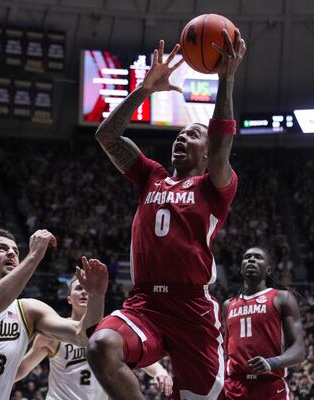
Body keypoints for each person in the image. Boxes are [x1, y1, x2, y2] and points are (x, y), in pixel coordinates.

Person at [87, 30, 246, 400]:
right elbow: (106, 136)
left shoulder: (215, 185)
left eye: (192, 134)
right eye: (180, 134)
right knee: (100, 347)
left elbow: (223, 146)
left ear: (207, 155)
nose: (181, 138)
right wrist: (143, 90)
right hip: (145, 304)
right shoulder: (150, 175)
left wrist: (226, 78)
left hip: (192, 309)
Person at [0, 228, 108, 400]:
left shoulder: (29, 311)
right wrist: (35, 256)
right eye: (1, 248)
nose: (12, 253)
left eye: (15, 250)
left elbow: (83, 336)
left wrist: (97, 297)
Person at [15, 276, 173, 399]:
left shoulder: (109, 333)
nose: (84, 292)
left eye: (87, 288)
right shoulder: (54, 332)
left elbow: (142, 358)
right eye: (78, 288)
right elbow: (22, 369)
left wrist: (161, 371)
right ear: (69, 298)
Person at [222, 246, 306, 399]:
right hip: (234, 387)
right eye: (247, 257)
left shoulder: (282, 297)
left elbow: (299, 350)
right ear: (241, 269)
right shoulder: (228, 305)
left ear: (268, 270)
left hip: (270, 386)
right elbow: (225, 350)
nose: (251, 259)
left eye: (258, 257)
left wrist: (272, 362)